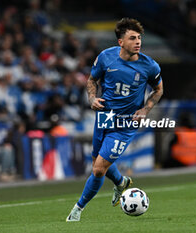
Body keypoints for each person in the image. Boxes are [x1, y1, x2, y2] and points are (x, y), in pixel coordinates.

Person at [66, 18, 163, 222]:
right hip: (105, 116)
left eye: (139, 38)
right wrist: (92, 98)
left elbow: (158, 89)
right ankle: (120, 182)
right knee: (97, 163)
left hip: (126, 123)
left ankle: (77, 209)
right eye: (132, 38)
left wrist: (146, 109)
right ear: (121, 42)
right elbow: (92, 80)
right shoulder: (105, 57)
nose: (138, 42)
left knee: (99, 168)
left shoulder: (149, 66)